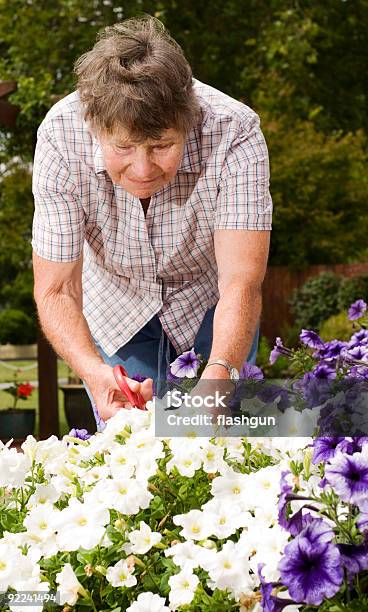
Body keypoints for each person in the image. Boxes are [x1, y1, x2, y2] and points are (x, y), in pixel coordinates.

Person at [32, 16, 272, 430]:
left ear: (188, 120)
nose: (142, 169)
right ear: (95, 128)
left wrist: (217, 381)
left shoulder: (235, 131)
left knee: (218, 445)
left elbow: (240, 282)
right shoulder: (59, 135)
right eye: (123, 147)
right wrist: (92, 372)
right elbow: (56, 288)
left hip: (210, 303)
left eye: (162, 146)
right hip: (116, 305)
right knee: (131, 448)